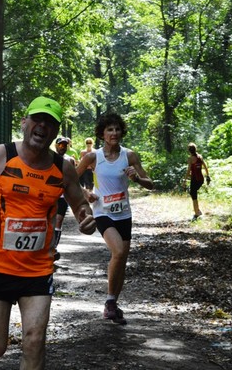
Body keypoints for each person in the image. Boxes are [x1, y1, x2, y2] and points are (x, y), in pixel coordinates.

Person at [0, 96, 96, 369]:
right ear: (24, 122)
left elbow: (80, 205)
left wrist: (87, 218)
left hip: (38, 269)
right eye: (37, 119)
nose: (42, 126)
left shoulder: (63, 168)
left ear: (55, 131)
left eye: (50, 123)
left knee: (34, 339)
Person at [76, 113, 153, 325]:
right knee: (118, 251)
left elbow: (150, 183)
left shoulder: (130, 156)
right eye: (110, 129)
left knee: (121, 260)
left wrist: (136, 178)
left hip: (124, 214)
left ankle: (113, 303)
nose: (114, 133)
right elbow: (70, 179)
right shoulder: (93, 157)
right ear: (102, 134)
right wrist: (85, 194)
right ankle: (110, 302)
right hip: (103, 212)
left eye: (117, 129)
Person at [53, 136, 77, 261]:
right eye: (60, 145)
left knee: (58, 220)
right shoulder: (48, 158)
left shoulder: (70, 160)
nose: (62, 147)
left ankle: (53, 248)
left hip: (62, 196)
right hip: (50, 194)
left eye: (65, 145)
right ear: (56, 146)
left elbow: (74, 178)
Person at [181, 142, 210, 221]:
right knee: (193, 193)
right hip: (201, 179)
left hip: (194, 180)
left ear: (189, 151)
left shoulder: (190, 159)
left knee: (193, 195)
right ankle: (197, 211)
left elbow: (188, 171)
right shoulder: (200, 157)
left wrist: (184, 180)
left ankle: (196, 213)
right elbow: (205, 167)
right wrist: (208, 176)